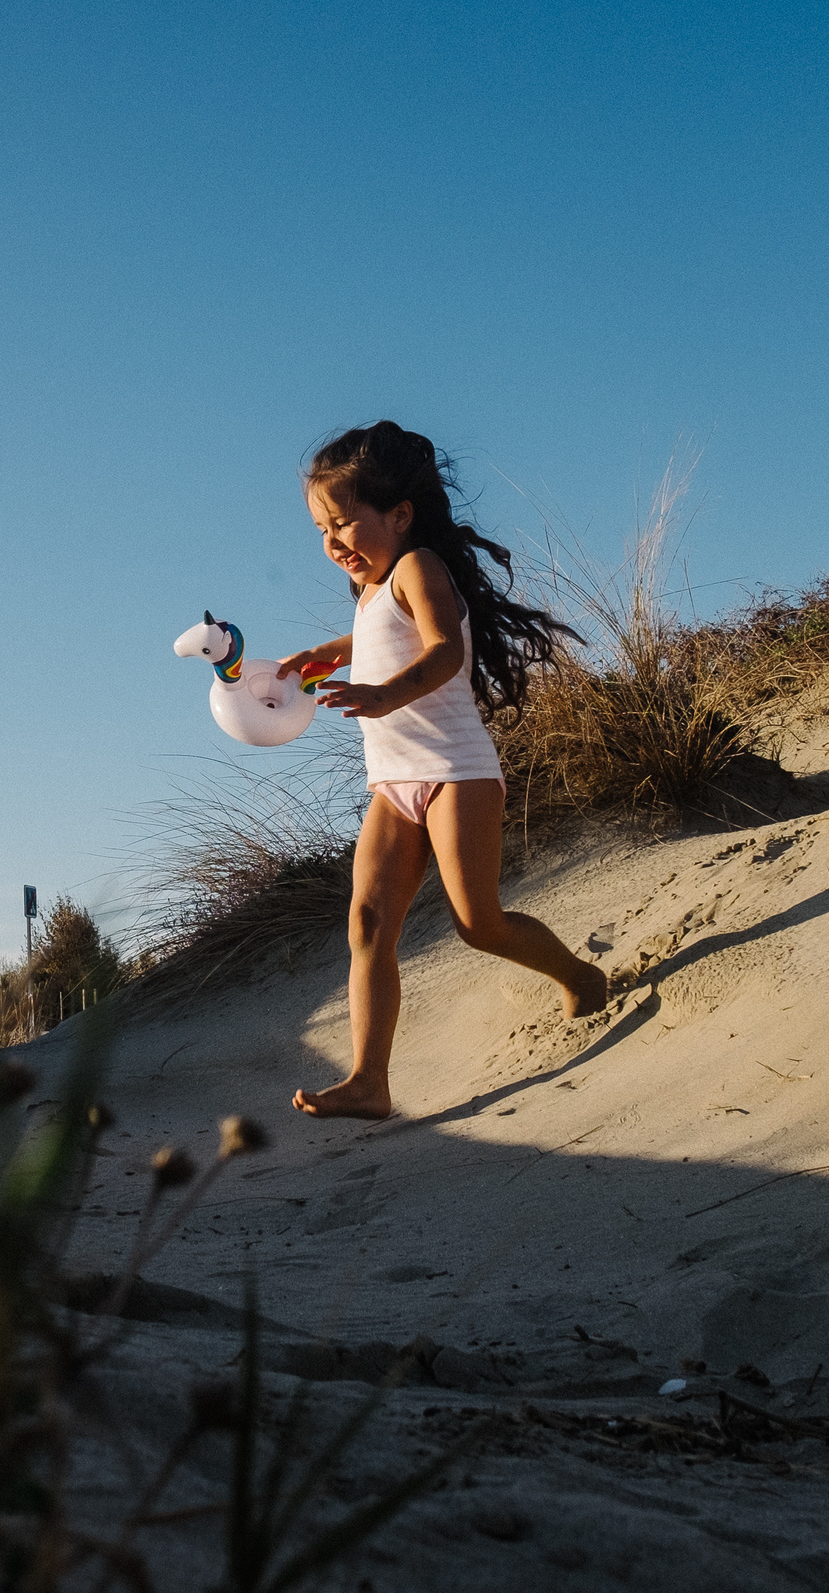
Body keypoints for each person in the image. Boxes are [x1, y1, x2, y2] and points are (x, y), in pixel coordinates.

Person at [273, 421, 609, 1121]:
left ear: (399, 515)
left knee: (477, 923)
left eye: (344, 522)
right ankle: (369, 1080)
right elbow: (371, 630)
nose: (334, 541)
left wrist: (383, 694)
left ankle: (579, 974)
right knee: (367, 922)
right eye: (321, 529)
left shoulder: (419, 566)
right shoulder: (371, 592)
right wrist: (323, 656)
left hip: (457, 773)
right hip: (393, 786)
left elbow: (441, 652)